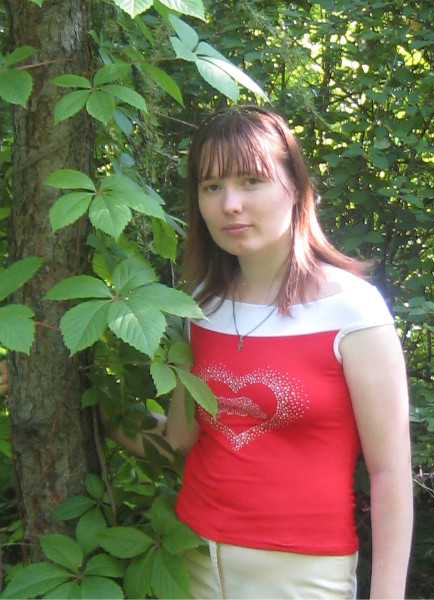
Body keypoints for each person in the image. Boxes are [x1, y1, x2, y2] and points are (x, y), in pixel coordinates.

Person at [3, 105, 413, 599]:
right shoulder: (202, 307)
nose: (230, 204)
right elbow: (176, 439)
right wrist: (75, 396)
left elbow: (389, 475)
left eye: (251, 181)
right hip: (190, 560)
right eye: (211, 186)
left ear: (296, 186)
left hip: (301, 575)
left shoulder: (352, 311)